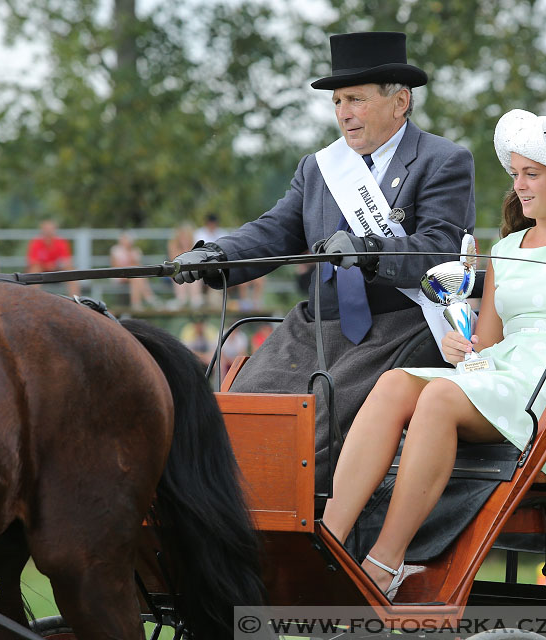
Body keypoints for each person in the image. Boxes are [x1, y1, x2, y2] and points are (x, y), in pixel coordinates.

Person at [321, 110, 546, 596]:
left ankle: (384, 565)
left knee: (436, 400)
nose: (519, 185)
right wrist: (461, 346)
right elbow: (490, 342)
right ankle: (327, 543)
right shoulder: (507, 247)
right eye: (515, 174)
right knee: (392, 383)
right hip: (507, 370)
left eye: (531, 174)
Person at [171, 31, 477, 492]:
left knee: (314, 426)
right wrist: (215, 256)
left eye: (355, 99)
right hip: (314, 326)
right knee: (240, 412)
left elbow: (438, 248)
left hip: (397, 326)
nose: (343, 114)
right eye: (337, 102)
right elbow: (274, 231)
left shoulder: (442, 161)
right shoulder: (319, 168)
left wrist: (369, 251)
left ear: (400, 102)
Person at [27, 219, 79, 296]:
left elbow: (66, 260)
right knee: (34, 269)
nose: (48, 232)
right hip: (42, 272)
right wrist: (47, 266)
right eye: (46, 229)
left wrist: (54, 266)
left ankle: (75, 298)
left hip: (57, 271)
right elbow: (32, 261)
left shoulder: (61, 242)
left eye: (50, 229)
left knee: (70, 270)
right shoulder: (36, 242)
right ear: (42, 231)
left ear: (55, 230)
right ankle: (32, 297)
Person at [110, 231, 159, 310]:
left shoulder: (135, 251)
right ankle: (148, 297)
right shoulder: (116, 250)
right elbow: (115, 265)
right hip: (118, 274)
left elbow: (137, 265)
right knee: (137, 277)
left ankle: (137, 303)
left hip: (131, 275)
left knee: (136, 278)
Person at [167, 224, 204, 309]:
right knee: (180, 274)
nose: (184, 239)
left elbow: (195, 260)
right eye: (182, 237)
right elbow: (175, 260)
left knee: (194, 275)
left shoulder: (194, 245)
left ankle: (195, 299)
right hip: (177, 270)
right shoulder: (173, 245)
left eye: (186, 237)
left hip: (191, 269)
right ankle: (181, 299)